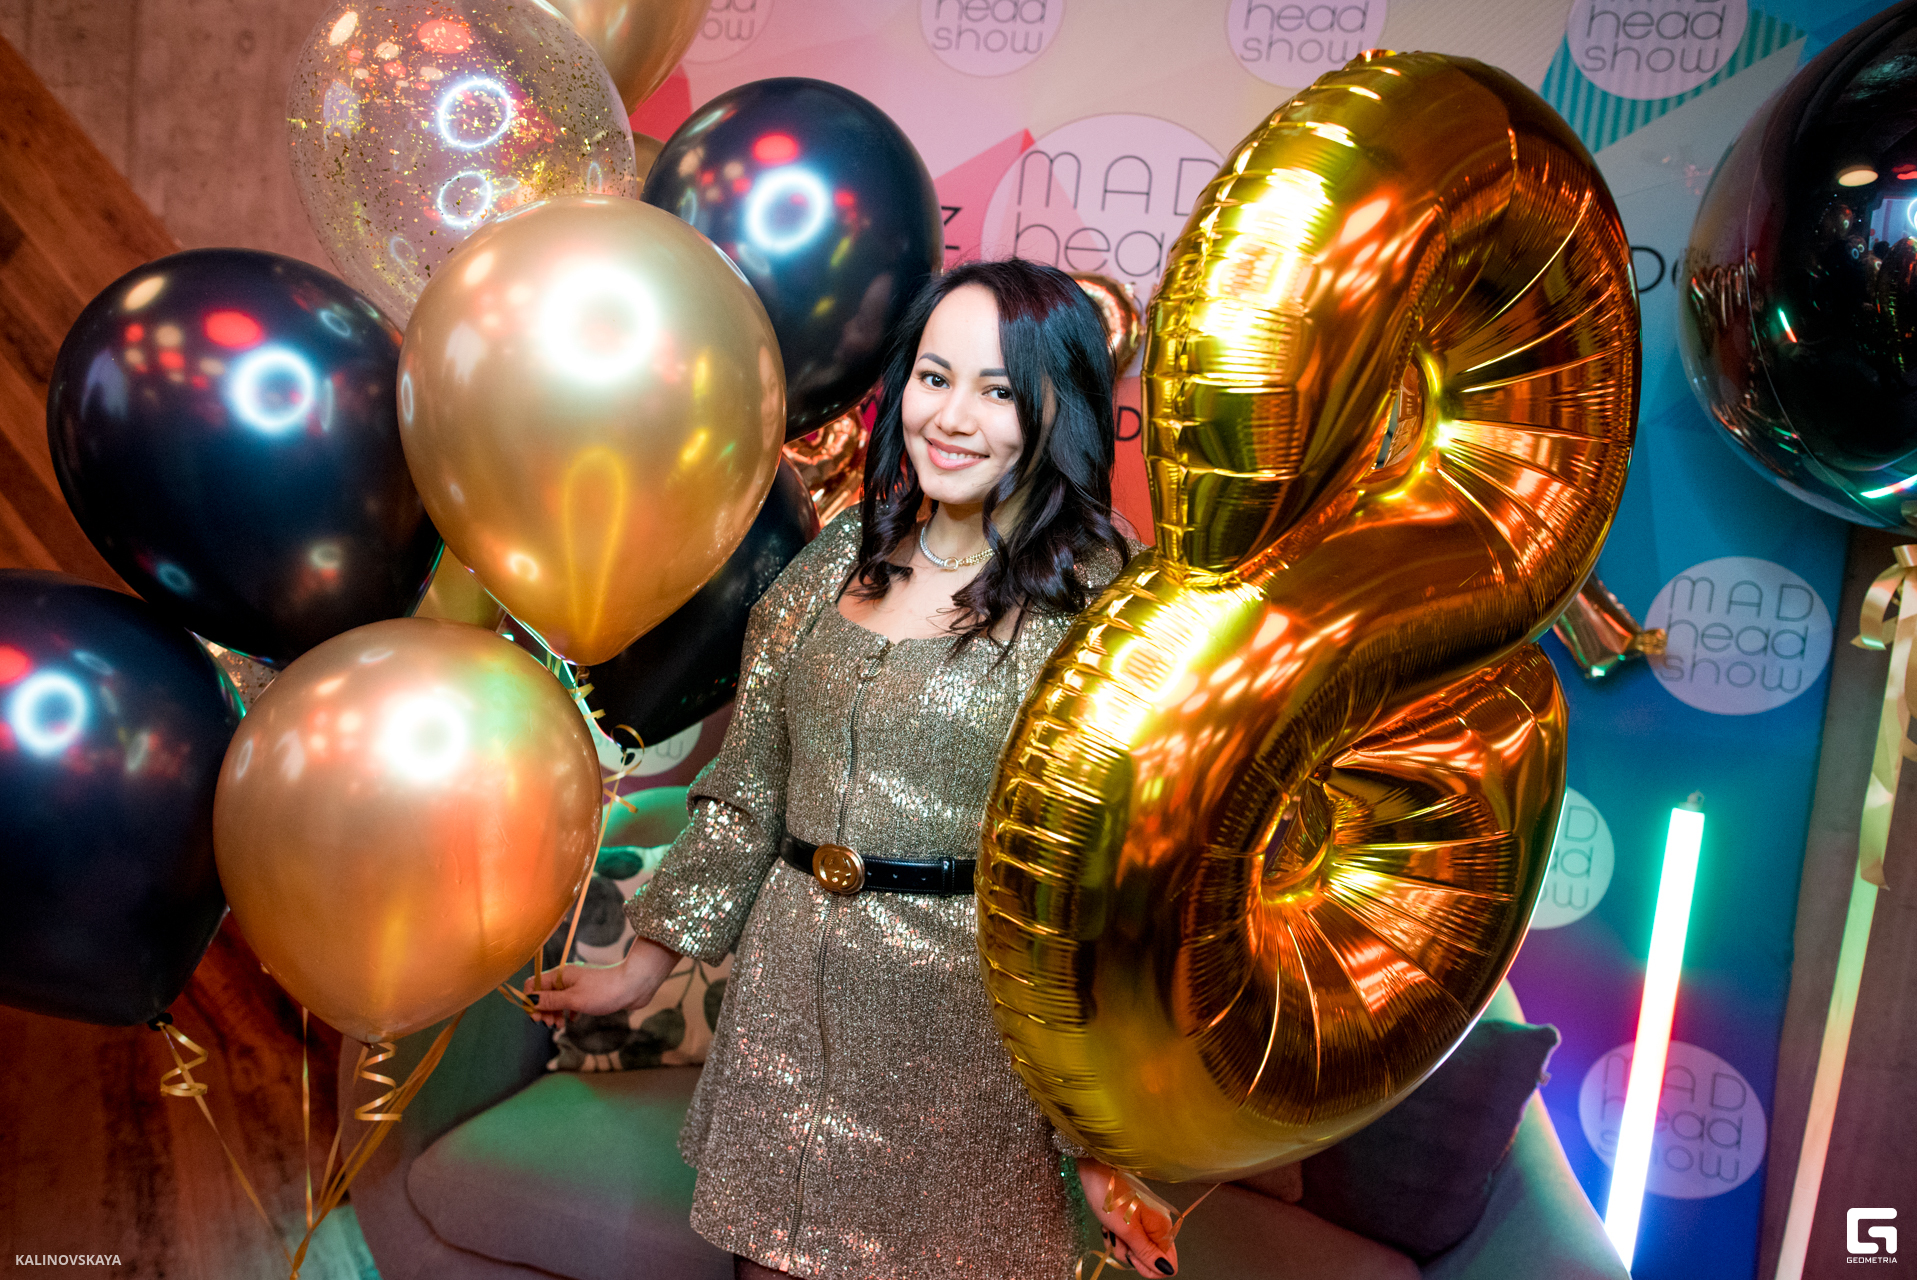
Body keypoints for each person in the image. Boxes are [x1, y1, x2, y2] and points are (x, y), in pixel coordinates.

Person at [528, 259, 1179, 1279]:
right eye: (934, 377)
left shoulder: (1102, 607)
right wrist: (637, 970)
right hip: (787, 1010)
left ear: (1060, 408)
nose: (951, 418)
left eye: (998, 391)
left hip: (967, 1042)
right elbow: (749, 790)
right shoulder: (842, 555)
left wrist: (1101, 1146)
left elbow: (1103, 892)